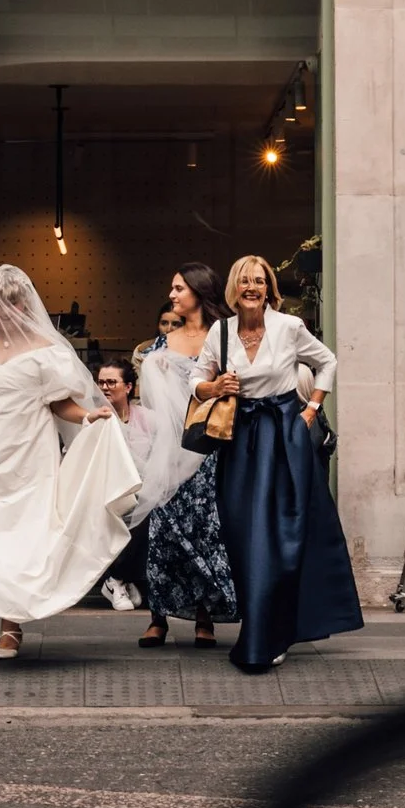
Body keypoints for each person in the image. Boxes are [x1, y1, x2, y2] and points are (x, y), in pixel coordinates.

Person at [0, 264, 139, 659]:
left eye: (12, 302)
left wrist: (88, 416)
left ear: (23, 303)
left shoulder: (44, 345)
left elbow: (59, 401)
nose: (4, 310)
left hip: (28, 458)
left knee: (20, 545)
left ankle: (11, 627)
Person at [194, 254, 362, 672]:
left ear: (270, 288)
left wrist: (309, 410)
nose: (251, 287)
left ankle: (270, 633)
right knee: (241, 535)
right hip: (239, 440)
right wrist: (213, 385)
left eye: (259, 281)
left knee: (282, 536)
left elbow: (327, 361)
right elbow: (194, 380)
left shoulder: (289, 327)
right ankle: (261, 624)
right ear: (234, 289)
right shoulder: (222, 331)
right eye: (244, 281)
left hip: (284, 436)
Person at [134, 267, 238, 649]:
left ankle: (204, 616)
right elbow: (153, 404)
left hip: (210, 448)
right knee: (163, 532)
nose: (172, 294)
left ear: (198, 291)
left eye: (179, 288)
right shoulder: (163, 344)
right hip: (170, 452)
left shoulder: (225, 335)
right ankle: (157, 616)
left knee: (206, 531)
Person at [96, 359, 155, 611]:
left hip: (140, 490)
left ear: (129, 387)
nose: (105, 388)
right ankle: (117, 579)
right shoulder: (96, 417)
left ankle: (120, 578)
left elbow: (159, 458)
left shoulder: (148, 419)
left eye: (111, 382)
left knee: (151, 509)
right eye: (101, 382)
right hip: (103, 492)